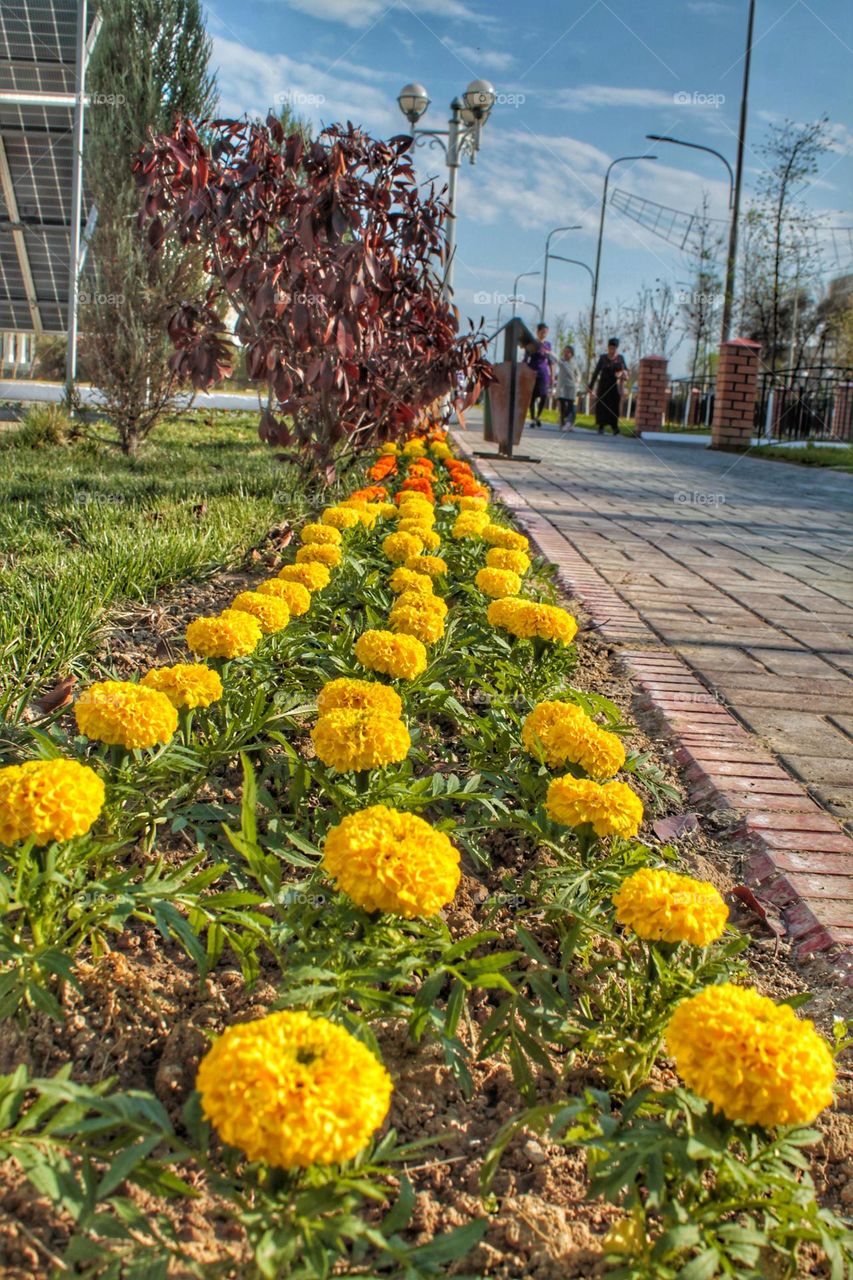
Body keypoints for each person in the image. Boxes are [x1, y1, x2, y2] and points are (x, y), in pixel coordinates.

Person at [588, 337, 628, 436]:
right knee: (601, 406)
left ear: (616, 348)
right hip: (603, 385)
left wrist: (621, 373)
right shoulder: (603, 358)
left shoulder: (620, 358)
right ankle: (601, 426)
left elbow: (626, 371)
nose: (611, 350)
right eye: (610, 348)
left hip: (615, 387)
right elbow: (596, 372)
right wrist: (591, 386)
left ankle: (615, 427)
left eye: (613, 348)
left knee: (613, 407)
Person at [523, 322, 552, 428]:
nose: (544, 334)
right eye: (542, 332)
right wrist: (525, 370)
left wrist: (551, 374)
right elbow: (526, 358)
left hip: (544, 372)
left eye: (546, 332)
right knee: (533, 396)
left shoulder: (548, 345)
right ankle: (532, 418)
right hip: (533, 370)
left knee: (544, 395)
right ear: (538, 332)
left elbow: (550, 360)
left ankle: (538, 416)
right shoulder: (532, 343)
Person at [554, 343, 581, 431]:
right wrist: (548, 352)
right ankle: (562, 423)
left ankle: (569, 423)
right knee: (562, 406)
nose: (566, 353)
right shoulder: (561, 361)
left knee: (570, 406)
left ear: (572, 354)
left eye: (568, 352)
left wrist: (577, 382)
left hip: (571, 388)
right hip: (561, 387)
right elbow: (554, 357)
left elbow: (578, 374)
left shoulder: (574, 363)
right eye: (564, 352)